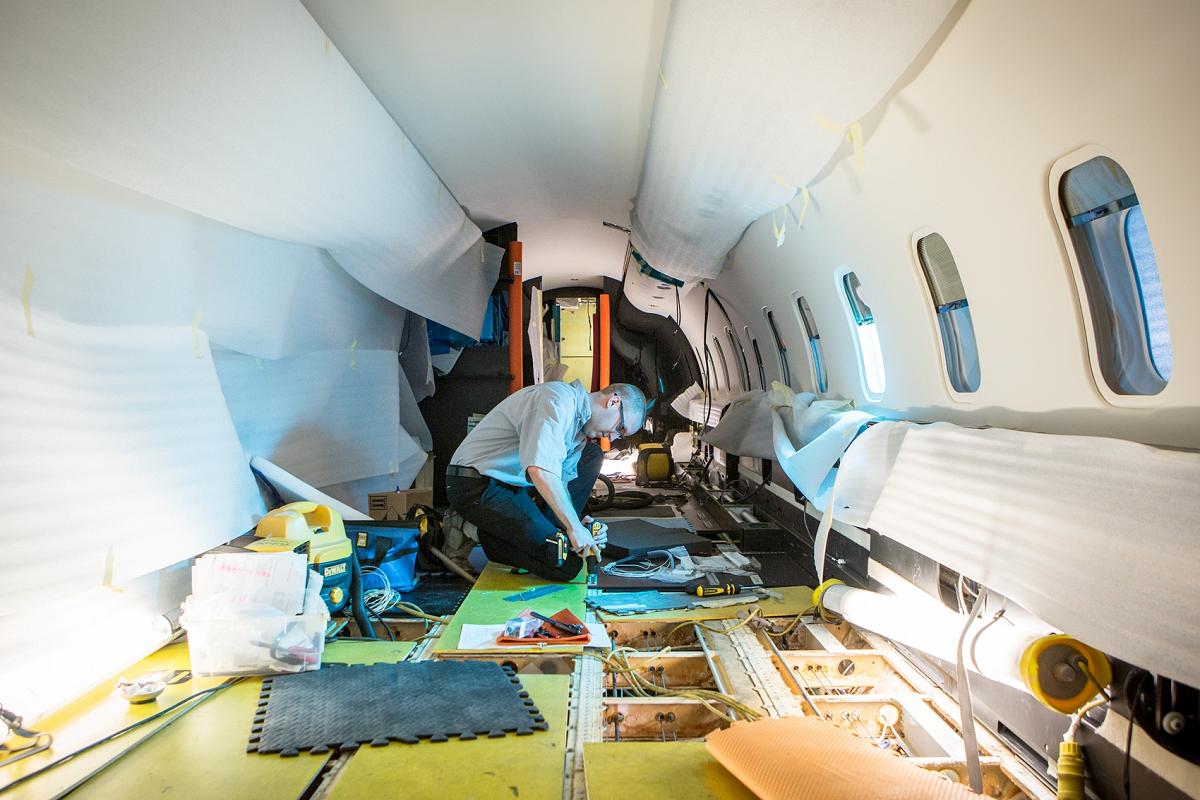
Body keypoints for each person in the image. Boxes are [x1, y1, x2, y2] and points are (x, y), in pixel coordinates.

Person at [445, 380, 647, 581]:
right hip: (475, 484)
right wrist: (573, 529)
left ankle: (505, 532)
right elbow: (540, 470)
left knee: (592, 455)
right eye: (619, 428)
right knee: (565, 564)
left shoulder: (578, 432)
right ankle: (482, 534)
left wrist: (579, 524)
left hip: (511, 485)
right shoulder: (556, 400)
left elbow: (562, 484)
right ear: (613, 401)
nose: (612, 438)